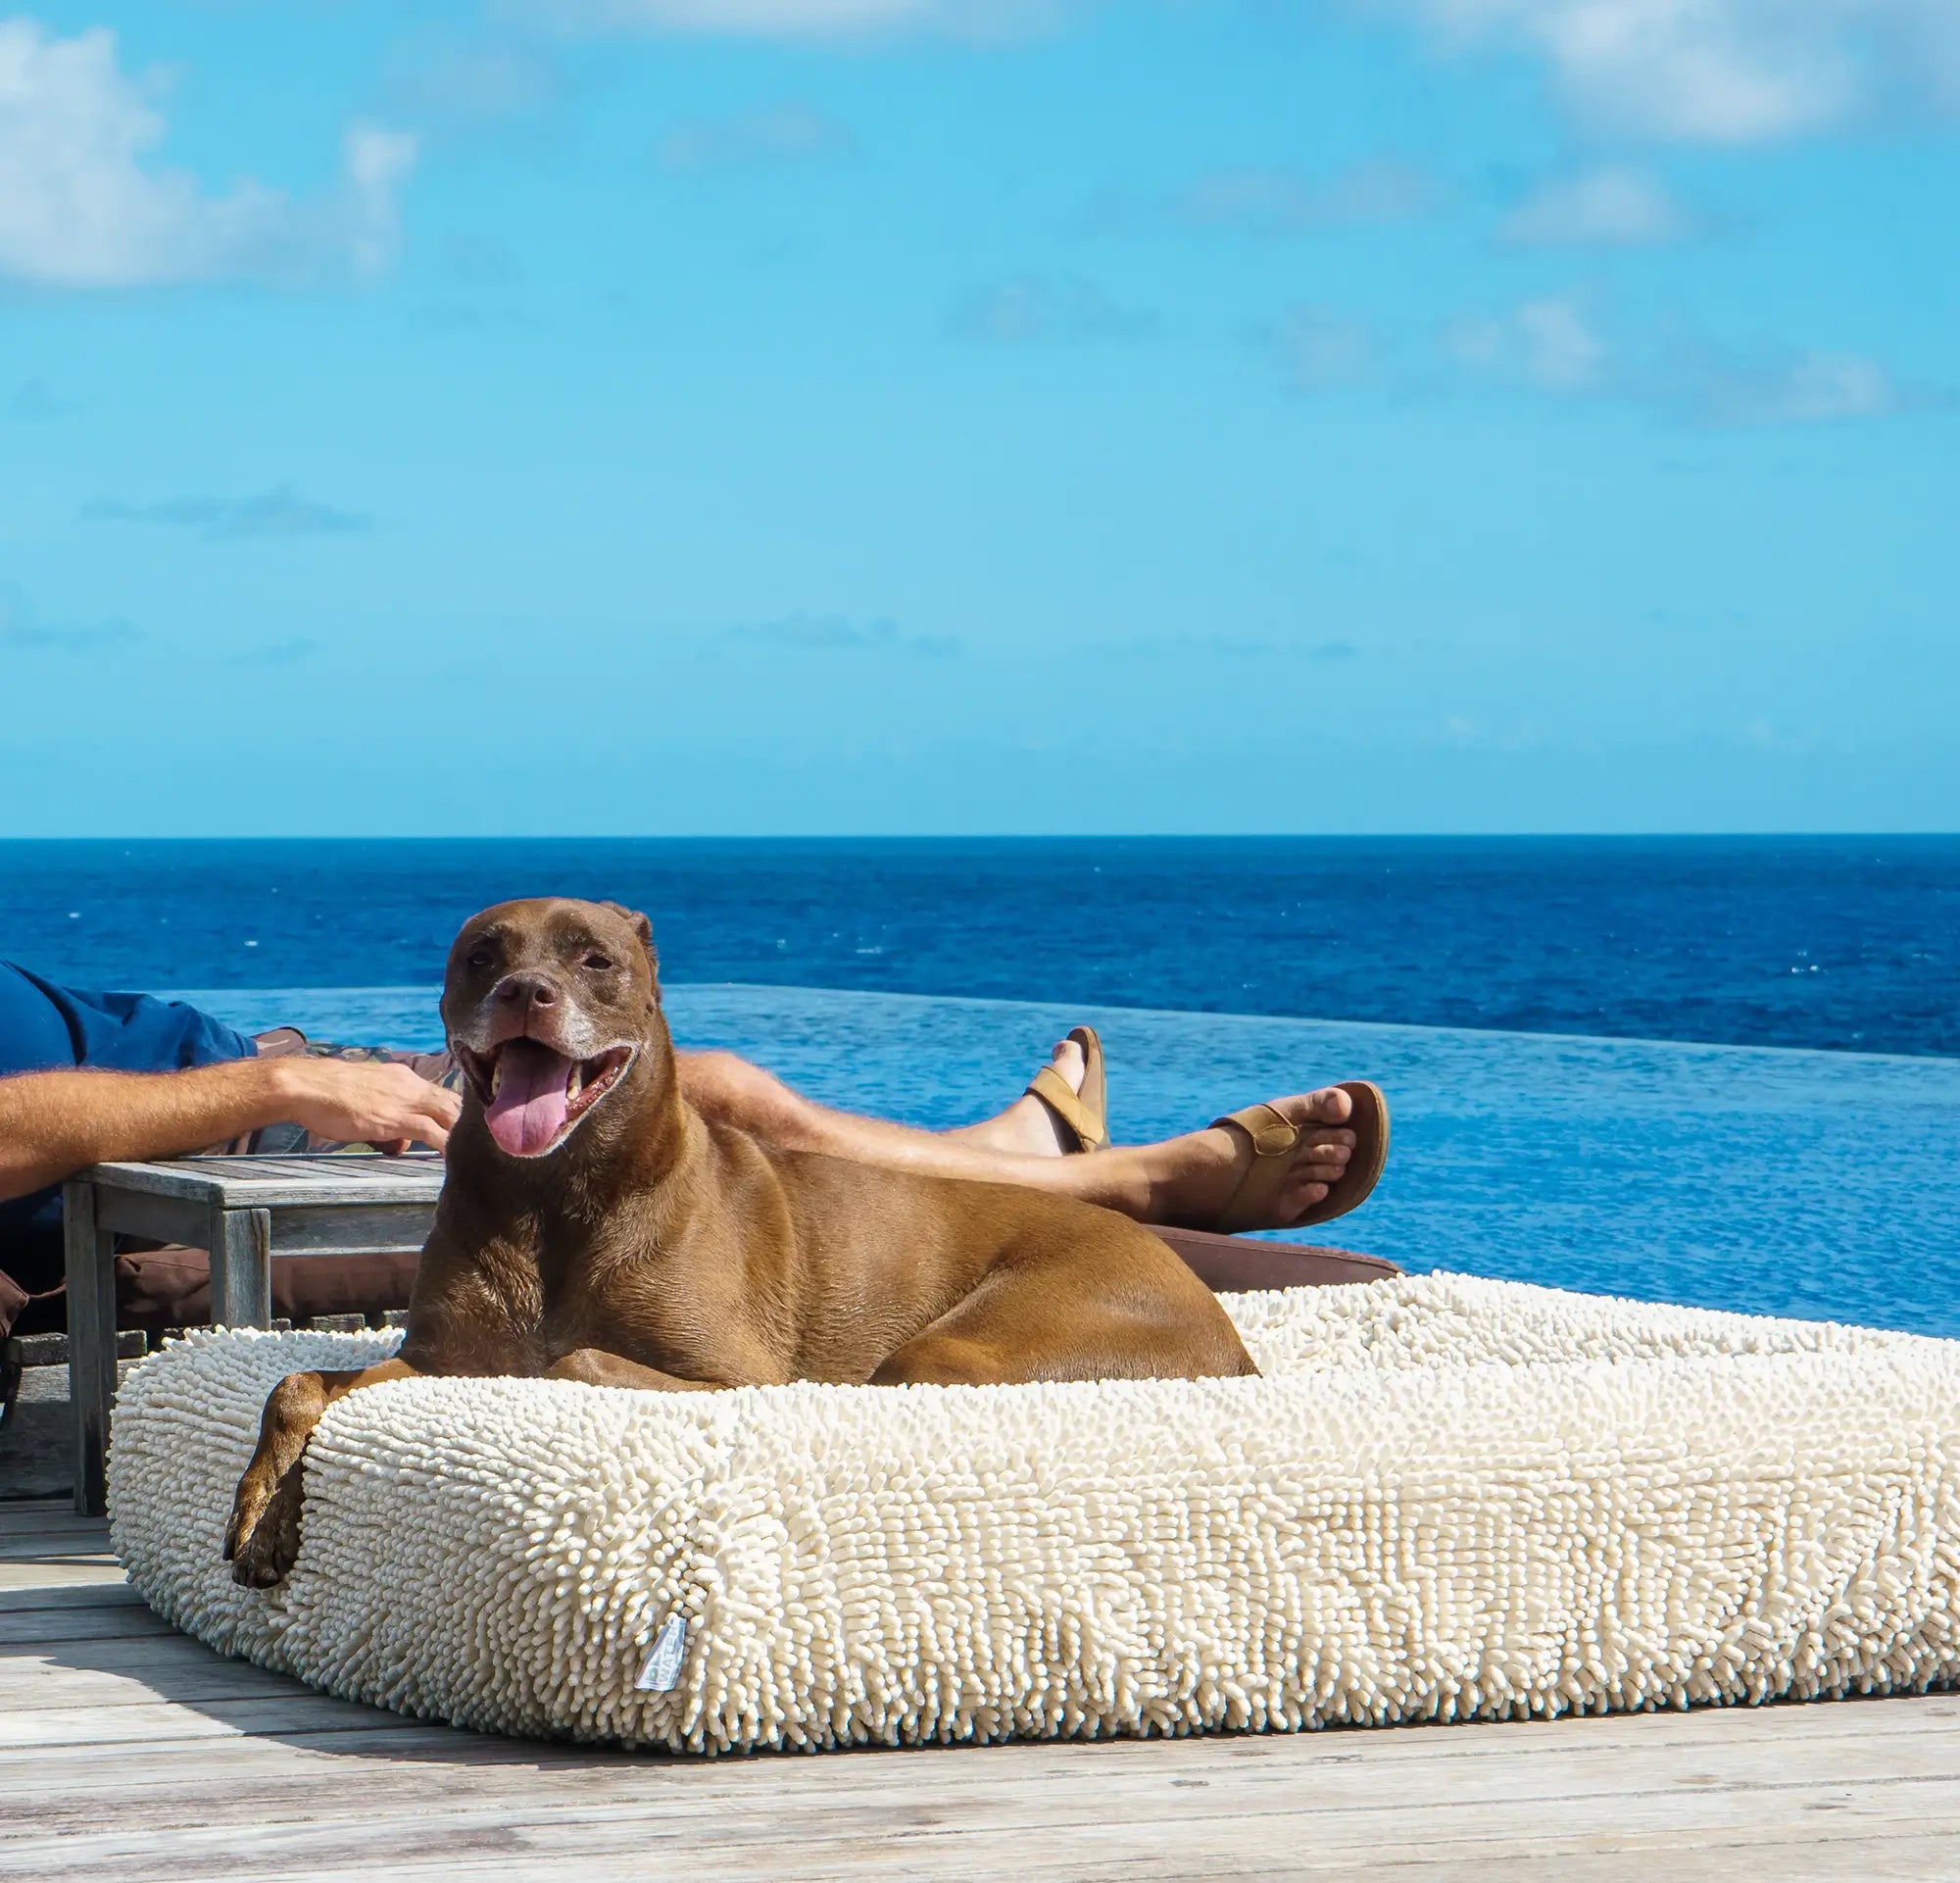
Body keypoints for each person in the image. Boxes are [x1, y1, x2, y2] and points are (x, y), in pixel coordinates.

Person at [0, 959, 1364, 1340]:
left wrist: (292, 1065)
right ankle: (1113, 1184)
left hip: (269, 1078)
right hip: (228, 1160)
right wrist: (288, 1085)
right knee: (694, 1101)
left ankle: (1026, 1154)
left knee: (680, 1075)